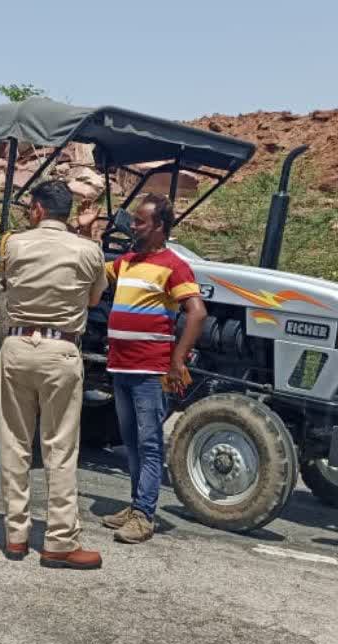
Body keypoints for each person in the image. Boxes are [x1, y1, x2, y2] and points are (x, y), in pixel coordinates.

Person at [0, 180, 108, 570]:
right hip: (62, 351)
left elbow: (8, 283)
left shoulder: (13, 244)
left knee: (14, 442)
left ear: (40, 210)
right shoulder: (90, 251)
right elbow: (94, 299)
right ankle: (59, 541)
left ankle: (16, 535)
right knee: (59, 447)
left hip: (15, 347)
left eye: (30, 207)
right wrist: (86, 233)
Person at [101, 194, 207, 544]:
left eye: (140, 221)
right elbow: (94, 272)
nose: (133, 226)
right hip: (121, 366)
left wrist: (177, 361)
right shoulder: (127, 262)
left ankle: (145, 515)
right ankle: (135, 506)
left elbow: (197, 312)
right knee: (131, 441)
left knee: (148, 442)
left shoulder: (173, 265)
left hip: (150, 370)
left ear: (159, 226)